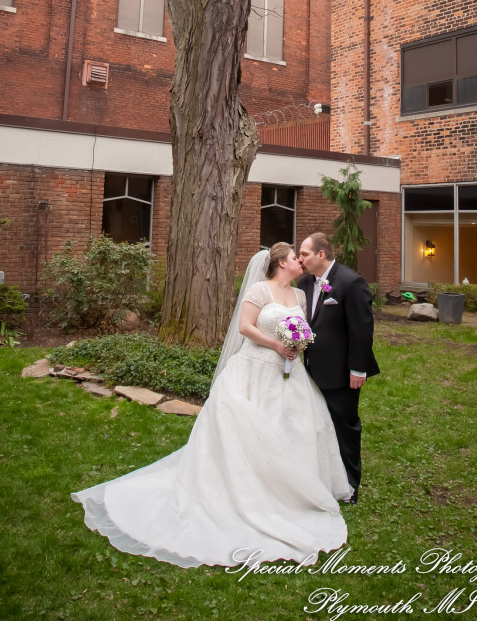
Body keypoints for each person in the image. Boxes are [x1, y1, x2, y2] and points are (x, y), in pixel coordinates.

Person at [71, 242, 351, 568]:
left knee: (294, 426)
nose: (299, 261)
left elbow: (302, 328)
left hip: (290, 374)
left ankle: (293, 489)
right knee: (251, 431)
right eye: (294, 257)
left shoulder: (300, 296)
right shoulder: (260, 290)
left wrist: (297, 344)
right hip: (255, 370)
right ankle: (253, 490)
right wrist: (276, 343)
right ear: (279, 263)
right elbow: (245, 327)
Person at [298, 232, 380, 505]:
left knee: (345, 427)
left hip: (341, 372)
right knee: (317, 427)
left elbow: (362, 330)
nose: (300, 259)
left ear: (321, 255)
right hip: (309, 370)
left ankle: (350, 484)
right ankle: (324, 478)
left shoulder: (351, 282)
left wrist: (358, 369)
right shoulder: (305, 282)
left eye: (304, 254)